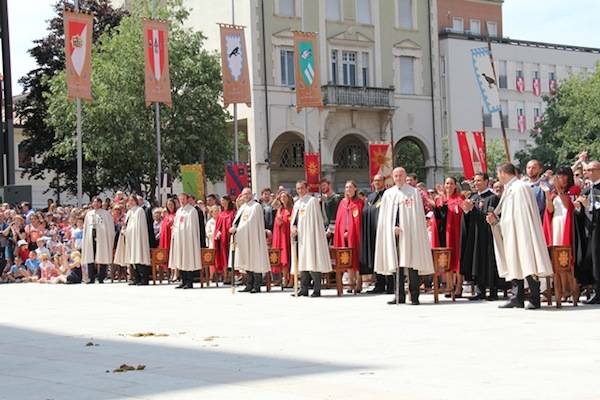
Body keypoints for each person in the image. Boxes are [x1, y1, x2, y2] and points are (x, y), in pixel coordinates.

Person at [487, 163, 553, 309]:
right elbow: (508, 213)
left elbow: (524, 213)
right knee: (514, 262)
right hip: (511, 231)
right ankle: (517, 297)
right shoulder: (510, 188)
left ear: (503, 173)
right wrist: (496, 222)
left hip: (523, 231)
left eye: (498, 174)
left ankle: (535, 298)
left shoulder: (520, 187)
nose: (498, 177)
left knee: (527, 261)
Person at [374, 167, 434, 305]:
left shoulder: (413, 193)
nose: (398, 178)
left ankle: (414, 296)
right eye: (395, 176)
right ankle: (399, 295)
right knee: (396, 265)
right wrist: (391, 227)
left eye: (401, 175)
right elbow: (387, 216)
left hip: (410, 234)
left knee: (412, 264)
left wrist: (407, 228)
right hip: (394, 234)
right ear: (392, 177)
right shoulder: (389, 194)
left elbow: (416, 216)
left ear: (405, 176)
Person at [461, 173, 501, 301]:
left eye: (479, 181)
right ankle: (480, 290)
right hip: (475, 235)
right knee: (476, 261)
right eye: (475, 181)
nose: (476, 183)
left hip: (488, 235)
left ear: (486, 181)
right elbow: (467, 217)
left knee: (490, 262)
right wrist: (467, 211)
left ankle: (493, 290)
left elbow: (491, 216)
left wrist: (474, 210)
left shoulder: (492, 197)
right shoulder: (472, 197)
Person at [291, 181, 332, 297]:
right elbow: (295, 219)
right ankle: (303, 288)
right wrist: (293, 227)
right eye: (298, 189)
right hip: (299, 237)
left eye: (302, 188)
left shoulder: (312, 201)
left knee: (312, 261)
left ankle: (317, 289)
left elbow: (314, 221)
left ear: (307, 188)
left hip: (310, 236)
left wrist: (308, 232)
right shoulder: (297, 203)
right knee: (302, 263)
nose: (300, 191)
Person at [230, 188, 270, 293]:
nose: (246, 196)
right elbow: (238, 221)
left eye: (248, 194)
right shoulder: (243, 207)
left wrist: (237, 229)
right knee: (246, 261)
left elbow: (251, 222)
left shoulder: (256, 206)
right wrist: (234, 227)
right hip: (243, 238)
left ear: (251, 195)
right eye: (244, 194)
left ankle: (256, 285)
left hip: (253, 238)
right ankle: (249, 283)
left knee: (254, 260)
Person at [433, 177, 465, 298]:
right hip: (443, 232)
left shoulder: (459, 199)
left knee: (457, 257)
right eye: (447, 183)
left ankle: (459, 286)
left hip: (456, 233)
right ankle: (449, 285)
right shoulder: (440, 199)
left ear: (455, 186)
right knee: (446, 258)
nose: (449, 186)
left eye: (451, 183)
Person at [361, 175, 393, 294]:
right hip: (372, 231)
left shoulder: (388, 195)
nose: (377, 182)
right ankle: (379, 284)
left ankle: (391, 284)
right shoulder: (370, 197)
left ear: (384, 182)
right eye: (375, 181)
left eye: (379, 180)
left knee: (386, 257)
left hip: (384, 232)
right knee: (376, 257)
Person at [575, 160, 600, 304]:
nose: (587, 173)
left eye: (591, 170)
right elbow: (581, 213)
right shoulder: (586, 190)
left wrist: (588, 205)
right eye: (587, 170)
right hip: (589, 231)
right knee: (592, 261)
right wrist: (579, 207)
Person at [333, 180, 364, 293]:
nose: (348, 189)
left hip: (356, 235)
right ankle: (351, 282)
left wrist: (351, 231)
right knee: (347, 258)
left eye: (350, 187)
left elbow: (359, 220)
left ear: (355, 189)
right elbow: (339, 220)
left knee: (356, 257)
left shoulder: (359, 203)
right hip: (343, 235)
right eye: (346, 187)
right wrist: (343, 231)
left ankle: (359, 282)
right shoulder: (342, 203)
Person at [169, 193, 203, 290]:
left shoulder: (192, 211)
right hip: (179, 239)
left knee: (188, 260)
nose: (182, 201)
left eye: (183, 199)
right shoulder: (179, 211)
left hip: (188, 239)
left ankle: (189, 281)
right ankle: (183, 280)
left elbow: (192, 227)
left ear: (187, 199)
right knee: (180, 259)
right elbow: (176, 224)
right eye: (180, 199)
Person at [117, 195, 151, 286]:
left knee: (139, 257)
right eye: (129, 200)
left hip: (138, 238)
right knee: (132, 258)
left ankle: (144, 278)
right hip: (130, 238)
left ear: (136, 201)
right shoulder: (129, 212)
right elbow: (127, 224)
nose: (131, 202)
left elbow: (139, 226)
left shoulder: (139, 211)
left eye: (133, 200)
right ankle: (136, 278)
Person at [81, 197, 115, 284]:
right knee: (90, 257)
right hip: (91, 237)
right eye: (94, 202)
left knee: (102, 256)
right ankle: (91, 277)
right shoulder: (89, 214)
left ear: (100, 203)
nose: (95, 204)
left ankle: (101, 277)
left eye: (97, 202)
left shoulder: (105, 214)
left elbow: (110, 228)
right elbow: (86, 227)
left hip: (101, 238)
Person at [271, 191, 293, 287]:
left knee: (290, 258)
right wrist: (277, 197)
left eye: (285, 196)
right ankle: (284, 279)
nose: (283, 198)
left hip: (287, 235)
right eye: (281, 197)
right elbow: (273, 204)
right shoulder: (280, 209)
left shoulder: (292, 209)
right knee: (282, 258)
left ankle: (291, 280)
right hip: (280, 236)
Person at [214, 196, 236, 283]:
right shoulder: (220, 214)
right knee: (223, 256)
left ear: (228, 201)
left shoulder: (233, 213)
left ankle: (232, 276)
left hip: (230, 238)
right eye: (221, 200)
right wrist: (218, 232)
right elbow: (217, 227)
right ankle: (225, 275)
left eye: (224, 200)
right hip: (222, 240)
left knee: (231, 256)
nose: (222, 202)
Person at [159, 198, 177, 276]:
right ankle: (169, 273)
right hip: (166, 240)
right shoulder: (166, 217)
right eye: (168, 205)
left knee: (174, 256)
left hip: (173, 239)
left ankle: (176, 273)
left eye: (171, 205)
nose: (170, 206)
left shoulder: (177, 215)